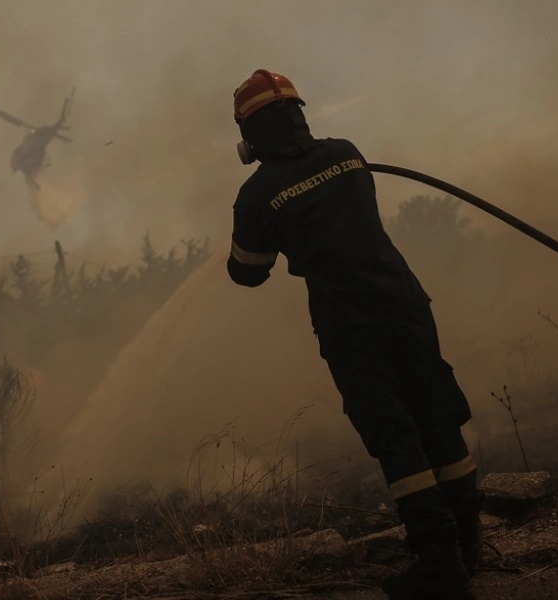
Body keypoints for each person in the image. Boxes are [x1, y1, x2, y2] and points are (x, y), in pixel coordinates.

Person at [225, 69, 483, 600]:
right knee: (436, 416)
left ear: (250, 134)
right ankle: (469, 545)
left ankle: (440, 565)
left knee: (395, 436)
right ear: (299, 114)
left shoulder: (257, 193)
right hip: (406, 303)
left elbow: (248, 272)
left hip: (351, 326)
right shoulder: (346, 153)